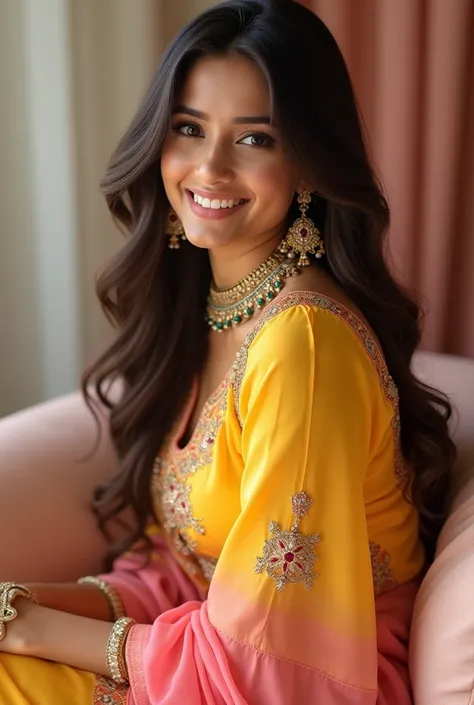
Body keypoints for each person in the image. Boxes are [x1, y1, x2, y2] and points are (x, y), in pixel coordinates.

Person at [0, 0, 456, 703]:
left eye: (253, 139)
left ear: (308, 163)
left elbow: (268, 664)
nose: (207, 167)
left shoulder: (303, 347)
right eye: (188, 128)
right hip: (204, 666)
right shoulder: (213, 312)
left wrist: (28, 629)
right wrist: (23, 601)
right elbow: (182, 570)